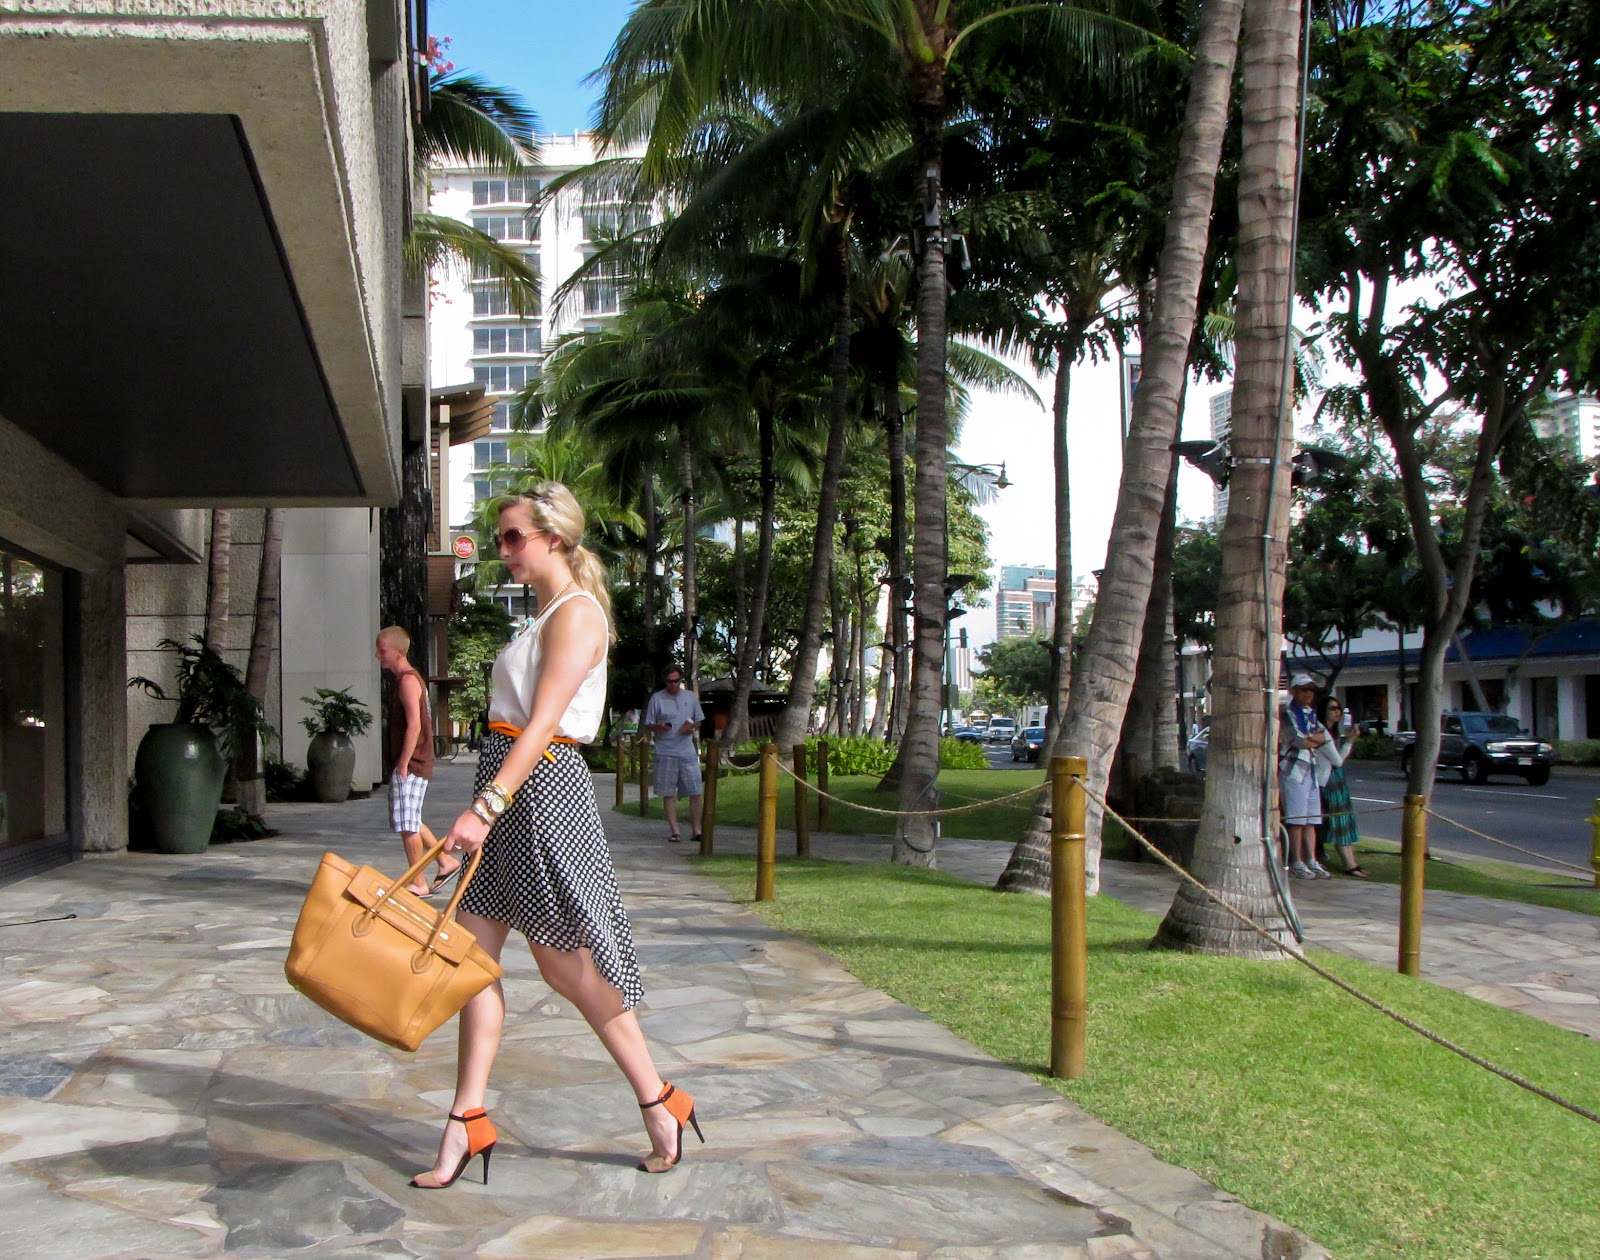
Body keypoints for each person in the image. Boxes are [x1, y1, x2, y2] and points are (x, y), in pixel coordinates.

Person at [415, 483, 702, 1191]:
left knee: (566, 967)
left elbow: (543, 727)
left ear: (554, 538)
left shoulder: (577, 615)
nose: (502, 549)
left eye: (513, 536)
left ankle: (660, 1098)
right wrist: (483, 807)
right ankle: (465, 1119)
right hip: (513, 782)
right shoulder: (544, 615)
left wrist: (483, 808)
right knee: (471, 964)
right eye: (502, 538)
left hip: (540, 791)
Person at [375, 626, 453, 897]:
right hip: (416, 760)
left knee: (407, 823)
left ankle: (418, 881)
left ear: (398, 652)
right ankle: (445, 860)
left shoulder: (408, 681)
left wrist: (403, 764)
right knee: (411, 818)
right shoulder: (408, 679)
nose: (378, 656)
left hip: (414, 761)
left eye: (382, 650)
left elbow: (415, 726)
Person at [642, 666, 704, 844]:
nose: (673, 685)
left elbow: (698, 720)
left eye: (676, 681)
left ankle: (696, 830)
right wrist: (659, 727)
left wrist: (690, 727)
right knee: (668, 793)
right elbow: (649, 723)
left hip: (687, 751)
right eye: (670, 681)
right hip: (665, 751)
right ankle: (675, 830)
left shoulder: (690, 697)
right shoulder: (657, 698)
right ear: (665, 681)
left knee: (695, 791)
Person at [1278, 673, 1331, 879]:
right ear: (1294, 691)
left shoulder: (1310, 714)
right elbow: (1298, 740)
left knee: (1312, 820)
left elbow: (1324, 737)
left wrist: (1310, 738)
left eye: (1311, 690)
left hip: (1311, 770)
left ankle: (1311, 860)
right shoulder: (1287, 713)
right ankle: (1296, 861)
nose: (1309, 693)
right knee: (1297, 819)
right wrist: (1311, 738)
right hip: (1293, 770)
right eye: (1304, 689)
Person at [1317, 695, 1369, 877]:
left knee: (1344, 821)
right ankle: (1348, 864)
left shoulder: (1331, 732)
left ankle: (1351, 861)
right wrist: (1350, 742)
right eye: (1332, 708)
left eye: (1338, 708)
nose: (1337, 712)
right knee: (1338, 822)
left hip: (1336, 778)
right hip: (1328, 780)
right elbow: (1337, 760)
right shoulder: (1322, 732)